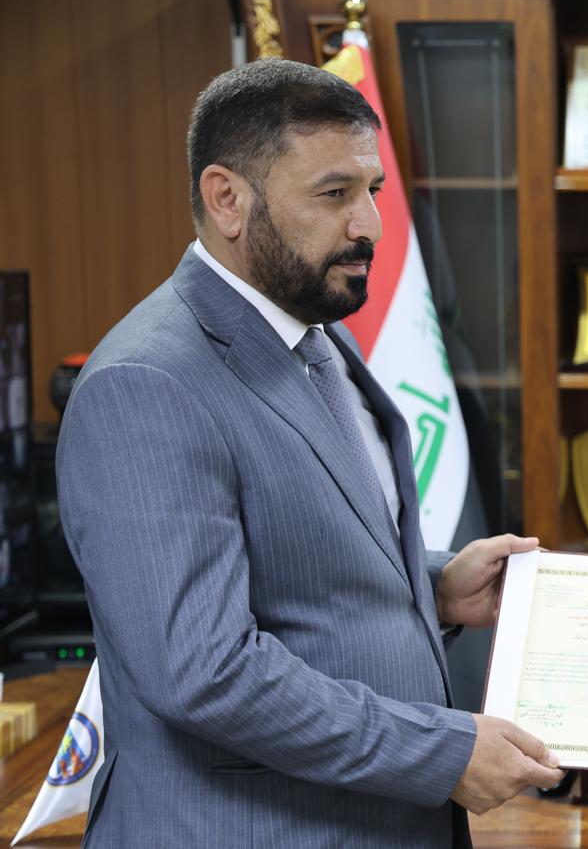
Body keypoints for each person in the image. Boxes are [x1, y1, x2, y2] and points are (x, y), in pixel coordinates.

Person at [56, 58, 562, 847]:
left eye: (373, 190)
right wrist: (438, 751)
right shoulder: (145, 383)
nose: (371, 226)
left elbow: (296, 564)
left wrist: (433, 586)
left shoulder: (315, 330)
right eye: (334, 194)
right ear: (227, 198)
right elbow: (206, 671)